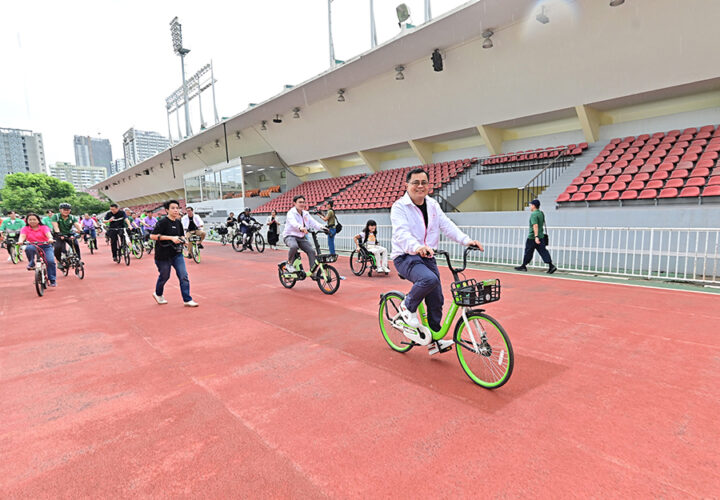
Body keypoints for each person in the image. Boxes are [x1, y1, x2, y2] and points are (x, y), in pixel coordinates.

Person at [391, 168, 483, 348]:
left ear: (428, 185)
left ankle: (434, 339)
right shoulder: (399, 207)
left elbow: (447, 225)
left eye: (424, 183)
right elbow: (401, 233)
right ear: (407, 185)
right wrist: (417, 247)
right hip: (405, 256)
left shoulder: (432, 205)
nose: (420, 186)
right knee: (428, 279)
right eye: (415, 182)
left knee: (437, 298)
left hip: (427, 256)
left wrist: (467, 241)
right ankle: (407, 306)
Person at [151, 200, 198, 307]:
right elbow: (152, 236)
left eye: (177, 208)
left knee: (183, 276)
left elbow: (181, 235)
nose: (176, 210)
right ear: (167, 210)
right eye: (173, 208)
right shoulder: (162, 222)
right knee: (165, 276)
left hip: (177, 254)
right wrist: (171, 238)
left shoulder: (178, 222)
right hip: (162, 255)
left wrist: (184, 241)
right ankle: (158, 294)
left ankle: (187, 299)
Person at [282, 195, 324, 272]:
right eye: (300, 202)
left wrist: (323, 228)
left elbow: (313, 222)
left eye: (303, 202)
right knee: (294, 246)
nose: (302, 204)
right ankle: (289, 264)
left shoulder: (306, 213)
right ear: (294, 203)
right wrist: (300, 227)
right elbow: (293, 223)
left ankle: (313, 271)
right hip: (290, 236)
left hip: (301, 237)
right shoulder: (291, 213)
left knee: (311, 251)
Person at [514, 199, 556, 274]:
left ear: (534, 206)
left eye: (531, 205)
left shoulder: (533, 214)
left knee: (528, 251)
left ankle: (524, 266)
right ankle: (551, 265)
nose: (530, 206)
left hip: (533, 237)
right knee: (543, 251)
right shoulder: (541, 213)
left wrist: (536, 236)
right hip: (541, 236)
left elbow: (535, 225)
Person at [18, 213, 57, 287]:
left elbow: (48, 234)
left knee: (50, 261)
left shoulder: (44, 227)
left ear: (38, 220)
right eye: (30, 220)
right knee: (28, 248)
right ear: (27, 221)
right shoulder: (25, 228)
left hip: (46, 246)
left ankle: (52, 279)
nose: (32, 221)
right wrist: (20, 241)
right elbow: (22, 236)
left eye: (34, 219)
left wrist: (50, 239)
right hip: (33, 246)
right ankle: (31, 263)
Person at [51, 203, 83, 269]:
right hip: (58, 234)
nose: (66, 211)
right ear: (60, 210)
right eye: (64, 210)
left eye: (68, 210)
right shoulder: (56, 216)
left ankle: (78, 260)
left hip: (68, 234)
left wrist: (81, 230)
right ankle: (59, 261)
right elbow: (55, 226)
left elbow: (77, 224)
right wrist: (59, 233)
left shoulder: (72, 217)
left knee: (75, 244)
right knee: (58, 247)